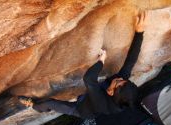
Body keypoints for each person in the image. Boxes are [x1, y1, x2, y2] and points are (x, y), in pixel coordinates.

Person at [19, 11, 147, 118]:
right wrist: (139, 32)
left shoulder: (101, 104)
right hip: (99, 95)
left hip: (82, 109)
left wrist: (101, 61)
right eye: (124, 81)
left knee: (49, 103)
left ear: (110, 92)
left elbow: (89, 79)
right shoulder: (121, 84)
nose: (120, 78)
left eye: (118, 83)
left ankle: (34, 105)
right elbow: (131, 60)